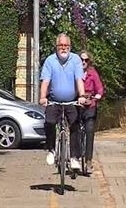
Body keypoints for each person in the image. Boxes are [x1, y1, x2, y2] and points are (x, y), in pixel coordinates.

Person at [39, 33, 86, 170]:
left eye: (66, 45)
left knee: (75, 125)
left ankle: (74, 157)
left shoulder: (76, 60)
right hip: (54, 101)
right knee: (49, 122)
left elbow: (79, 80)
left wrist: (82, 96)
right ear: (56, 46)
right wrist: (43, 97)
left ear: (70, 47)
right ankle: (52, 150)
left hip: (71, 101)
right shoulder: (50, 61)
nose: (63, 48)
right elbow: (45, 81)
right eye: (61, 45)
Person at [79, 50, 104, 173]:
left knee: (89, 131)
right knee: (75, 130)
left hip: (90, 106)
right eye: (81, 60)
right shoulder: (75, 73)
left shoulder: (92, 73)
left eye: (86, 60)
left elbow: (99, 87)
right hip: (77, 105)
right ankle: (75, 157)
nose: (83, 62)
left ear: (89, 62)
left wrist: (98, 95)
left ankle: (88, 161)